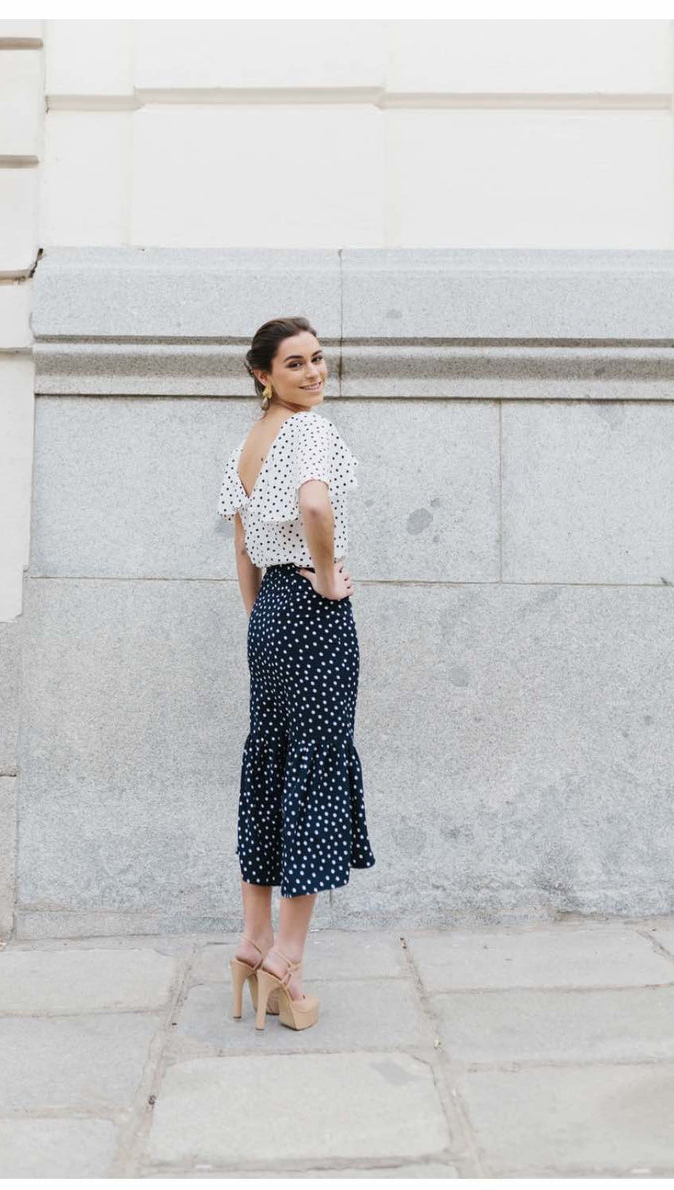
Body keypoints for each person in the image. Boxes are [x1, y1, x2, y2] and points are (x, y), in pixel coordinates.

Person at [217, 315, 376, 1031]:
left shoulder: (247, 446)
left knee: (272, 761)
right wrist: (327, 576)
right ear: (263, 374)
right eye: (294, 363)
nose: (313, 373)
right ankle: (287, 961)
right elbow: (314, 502)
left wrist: (260, 615)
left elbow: (243, 543)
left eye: (318, 358)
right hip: (311, 612)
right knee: (314, 769)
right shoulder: (311, 432)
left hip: (271, 616)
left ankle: (252, 943)